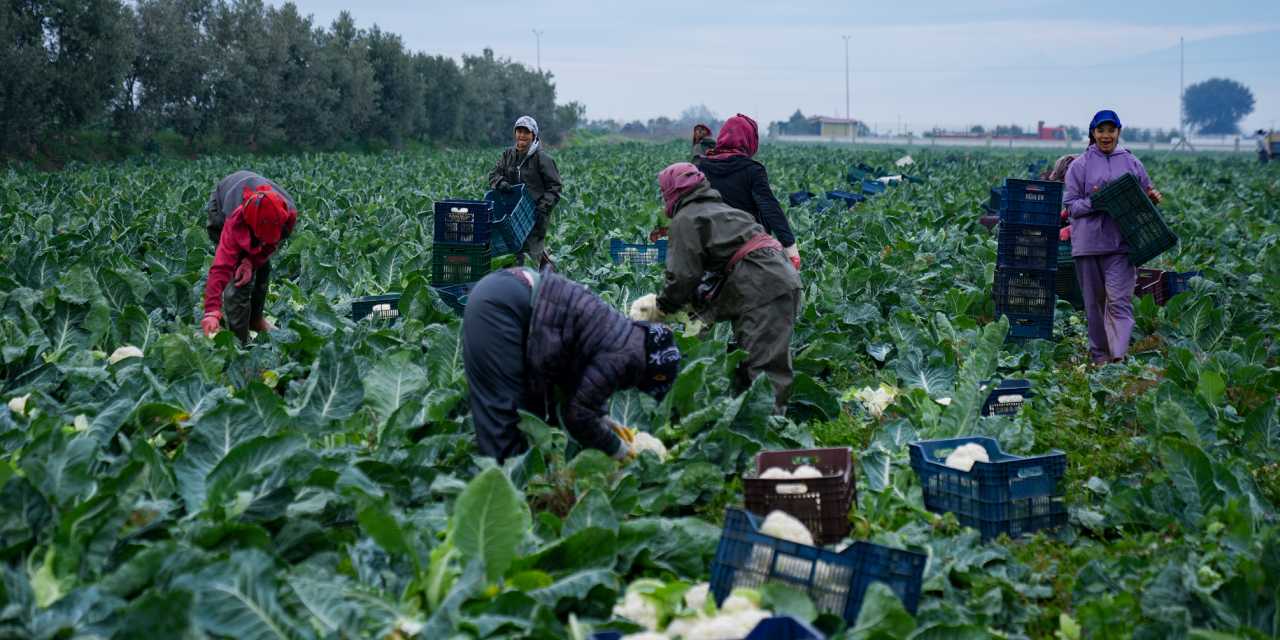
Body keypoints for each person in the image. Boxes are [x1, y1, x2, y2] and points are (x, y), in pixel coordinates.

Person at [462, 266, 681, 463]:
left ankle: (522, 488)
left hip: (512, 292)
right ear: (650, 373)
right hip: (500, 308)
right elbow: (577, 416)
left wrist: (603, 417)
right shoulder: (625, 357)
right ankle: (499, 497)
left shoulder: (626, 339)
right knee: (504, 418)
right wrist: (619, 450)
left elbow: (581, 376)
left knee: (530, 416)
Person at [632, 162, 802, 412]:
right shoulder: (721, 209)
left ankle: (769, 431)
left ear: (672, 192)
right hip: (774, 278)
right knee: (752, 359)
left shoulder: (687, 218)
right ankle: (749, 423)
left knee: (765, 370)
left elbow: (683, 276)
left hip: (764, 284)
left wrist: (663, 307)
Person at [1063, 110, 1163, 365]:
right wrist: (1096, 202)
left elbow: (1144, 197)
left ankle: (1117, 357)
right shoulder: (1080, 165)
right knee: (1095, 306)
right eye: (1101, 130)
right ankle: (1100, 357)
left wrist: (1152, 199)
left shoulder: (1132, 163)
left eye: (1111, 130)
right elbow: (1071, 207)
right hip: (1088, 246)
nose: (1106, 136)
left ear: (1119, 132)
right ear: (1093, 133)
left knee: (1120, 301)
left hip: (1121, 245)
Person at [694, 114, 802, 271]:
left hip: (711, 245)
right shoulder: (752, 170)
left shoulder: (701, 167)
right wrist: (790, 247)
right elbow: (770, 208)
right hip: (748, 248)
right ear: (750, 141)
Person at [201, 171, 297, 342]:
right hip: (223, 203)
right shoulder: (235, 221)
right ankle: (240, 341)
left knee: (263, 267)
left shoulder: (288, 213)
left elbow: (269, 246)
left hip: (251, 203)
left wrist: (251, 261)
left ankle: (255, 320)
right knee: (239, 279)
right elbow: (221, 267)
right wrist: (211, 310)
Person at [489, 116, 563, 266]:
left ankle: (540, 282)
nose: (522, 135)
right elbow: (493, 175)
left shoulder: (542, 159)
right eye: (519, 131)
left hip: (535, 219)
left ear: (533, 135)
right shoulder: (508, 155)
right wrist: (500, 182)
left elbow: (555, 187)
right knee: (509, 259)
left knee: (529, 262)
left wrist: (542, 208)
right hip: (511, 217)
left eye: (526, 132)